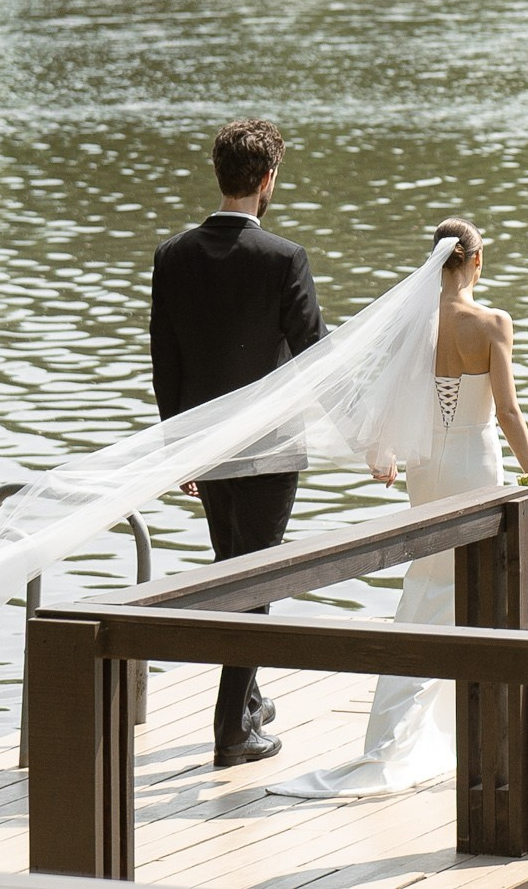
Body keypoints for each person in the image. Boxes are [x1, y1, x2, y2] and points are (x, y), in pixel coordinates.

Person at [271, 217, 528, 799]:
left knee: (426, 587)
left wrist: (385, 451)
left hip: (425, 467)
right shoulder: (493, 323)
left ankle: (403, 732)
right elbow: (509, 411)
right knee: (470, 592)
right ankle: (452, 732)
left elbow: (394, 395)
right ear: (476, 260)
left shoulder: (413, 326)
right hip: (475, 461)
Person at [149, 117, 329, 768]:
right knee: (252, 585)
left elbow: (163, 361)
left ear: (221, 175)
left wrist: (181, 448)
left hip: (206, 446)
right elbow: (317, 355)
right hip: (271, 450)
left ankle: (248, 695)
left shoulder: (173, 255)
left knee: (231, 570)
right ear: (267, 180)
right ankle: (233, 730)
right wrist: (371, 428)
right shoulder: (283, 258)